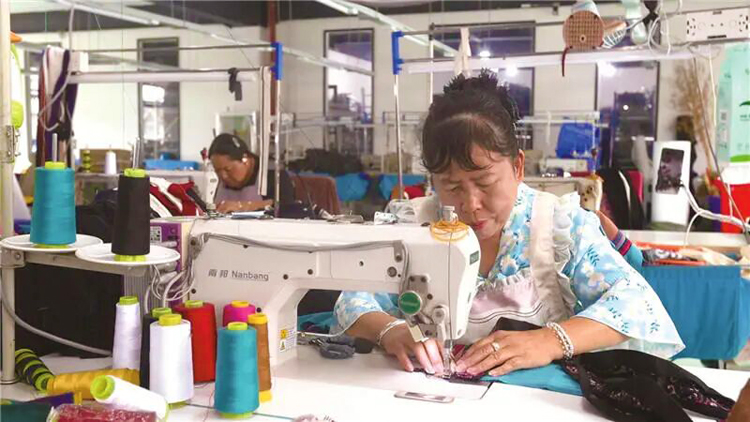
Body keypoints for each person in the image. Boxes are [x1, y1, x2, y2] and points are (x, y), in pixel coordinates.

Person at [332, 70, 684, 377]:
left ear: (517, 166)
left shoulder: (559, 227)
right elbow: (353, 298)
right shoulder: (414, 226)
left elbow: (637, 304)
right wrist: (390, 330)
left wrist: (550, 340)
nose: (471, 205)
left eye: (484, 183)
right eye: (451, 186)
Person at [209, 133, 294, 213]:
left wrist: (242, 206)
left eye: (228, 169)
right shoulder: (223, 179)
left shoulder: (272, 173)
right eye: (217, 171)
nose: (223, 176)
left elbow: (285, 207)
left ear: (245, 159)